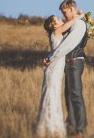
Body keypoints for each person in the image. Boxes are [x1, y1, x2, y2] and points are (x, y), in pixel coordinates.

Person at [36, 8, 85, 137]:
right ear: (54, 26)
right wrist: (80, 15)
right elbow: (72, 21)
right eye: (57, 20)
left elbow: (54, 50)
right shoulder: (58, 30)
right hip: (55, 68)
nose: (60, 19)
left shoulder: (55, 32)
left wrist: (47, 58)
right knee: (52, 94)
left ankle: (52, 123)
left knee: (53, 94)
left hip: (55, 67)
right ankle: (51, 125)